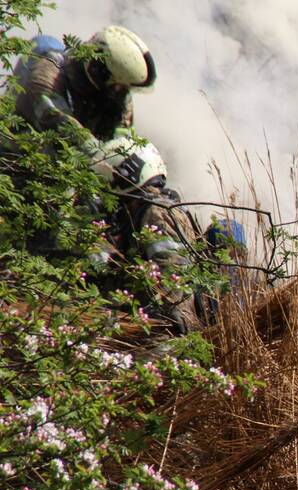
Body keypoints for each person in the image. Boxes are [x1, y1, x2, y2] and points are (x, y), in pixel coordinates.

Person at [10, 26, 155, 176]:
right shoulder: (47, 74)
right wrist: (106, 161)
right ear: (99, 71)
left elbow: (122, 140)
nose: (120, 92)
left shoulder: (117, 94)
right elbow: (59, 122)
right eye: (118, 86)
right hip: (17, 162)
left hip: (73, 168)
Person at [96, 130, 201, 334]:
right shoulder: (149, 210)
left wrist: (167, 325)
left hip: (167, 333)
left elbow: (173, 272)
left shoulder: (156, 213)